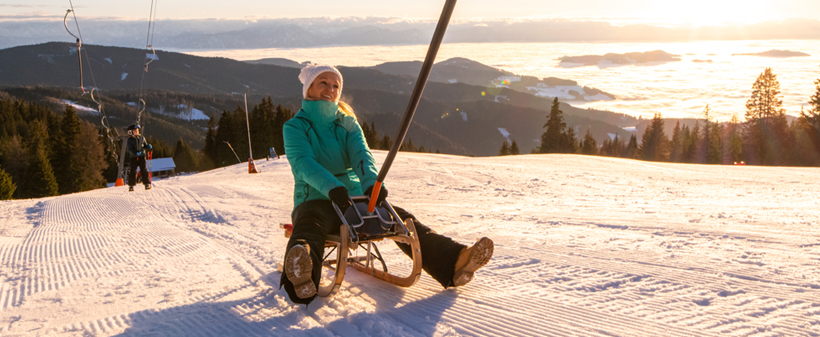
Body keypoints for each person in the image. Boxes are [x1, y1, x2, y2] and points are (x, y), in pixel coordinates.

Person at [280, 63, 494, 305]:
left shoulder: (347, 123)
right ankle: (302, 270)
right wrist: (331, 187)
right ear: (309, 88)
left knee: (401, 220)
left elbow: (361, 154)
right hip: (316, 199)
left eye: (335, 85)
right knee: (311, 226)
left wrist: (371, 185)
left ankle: (456, 260)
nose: (330, 89)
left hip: (354, 198)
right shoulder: (295, 126)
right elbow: (303, 163)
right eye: (323, 83)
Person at [126, 124, 152, 191]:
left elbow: (145, 145)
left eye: (137, 130)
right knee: (133, 170)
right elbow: (130, 149)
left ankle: (147, 184)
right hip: (133, 157)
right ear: (131, 132)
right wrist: (135, 153)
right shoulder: (130, 140)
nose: (137, 131)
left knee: (144, 169)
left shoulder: (142, 138)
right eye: (135, 130)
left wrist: (148, 146)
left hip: (142, 156)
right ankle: (131, 185)